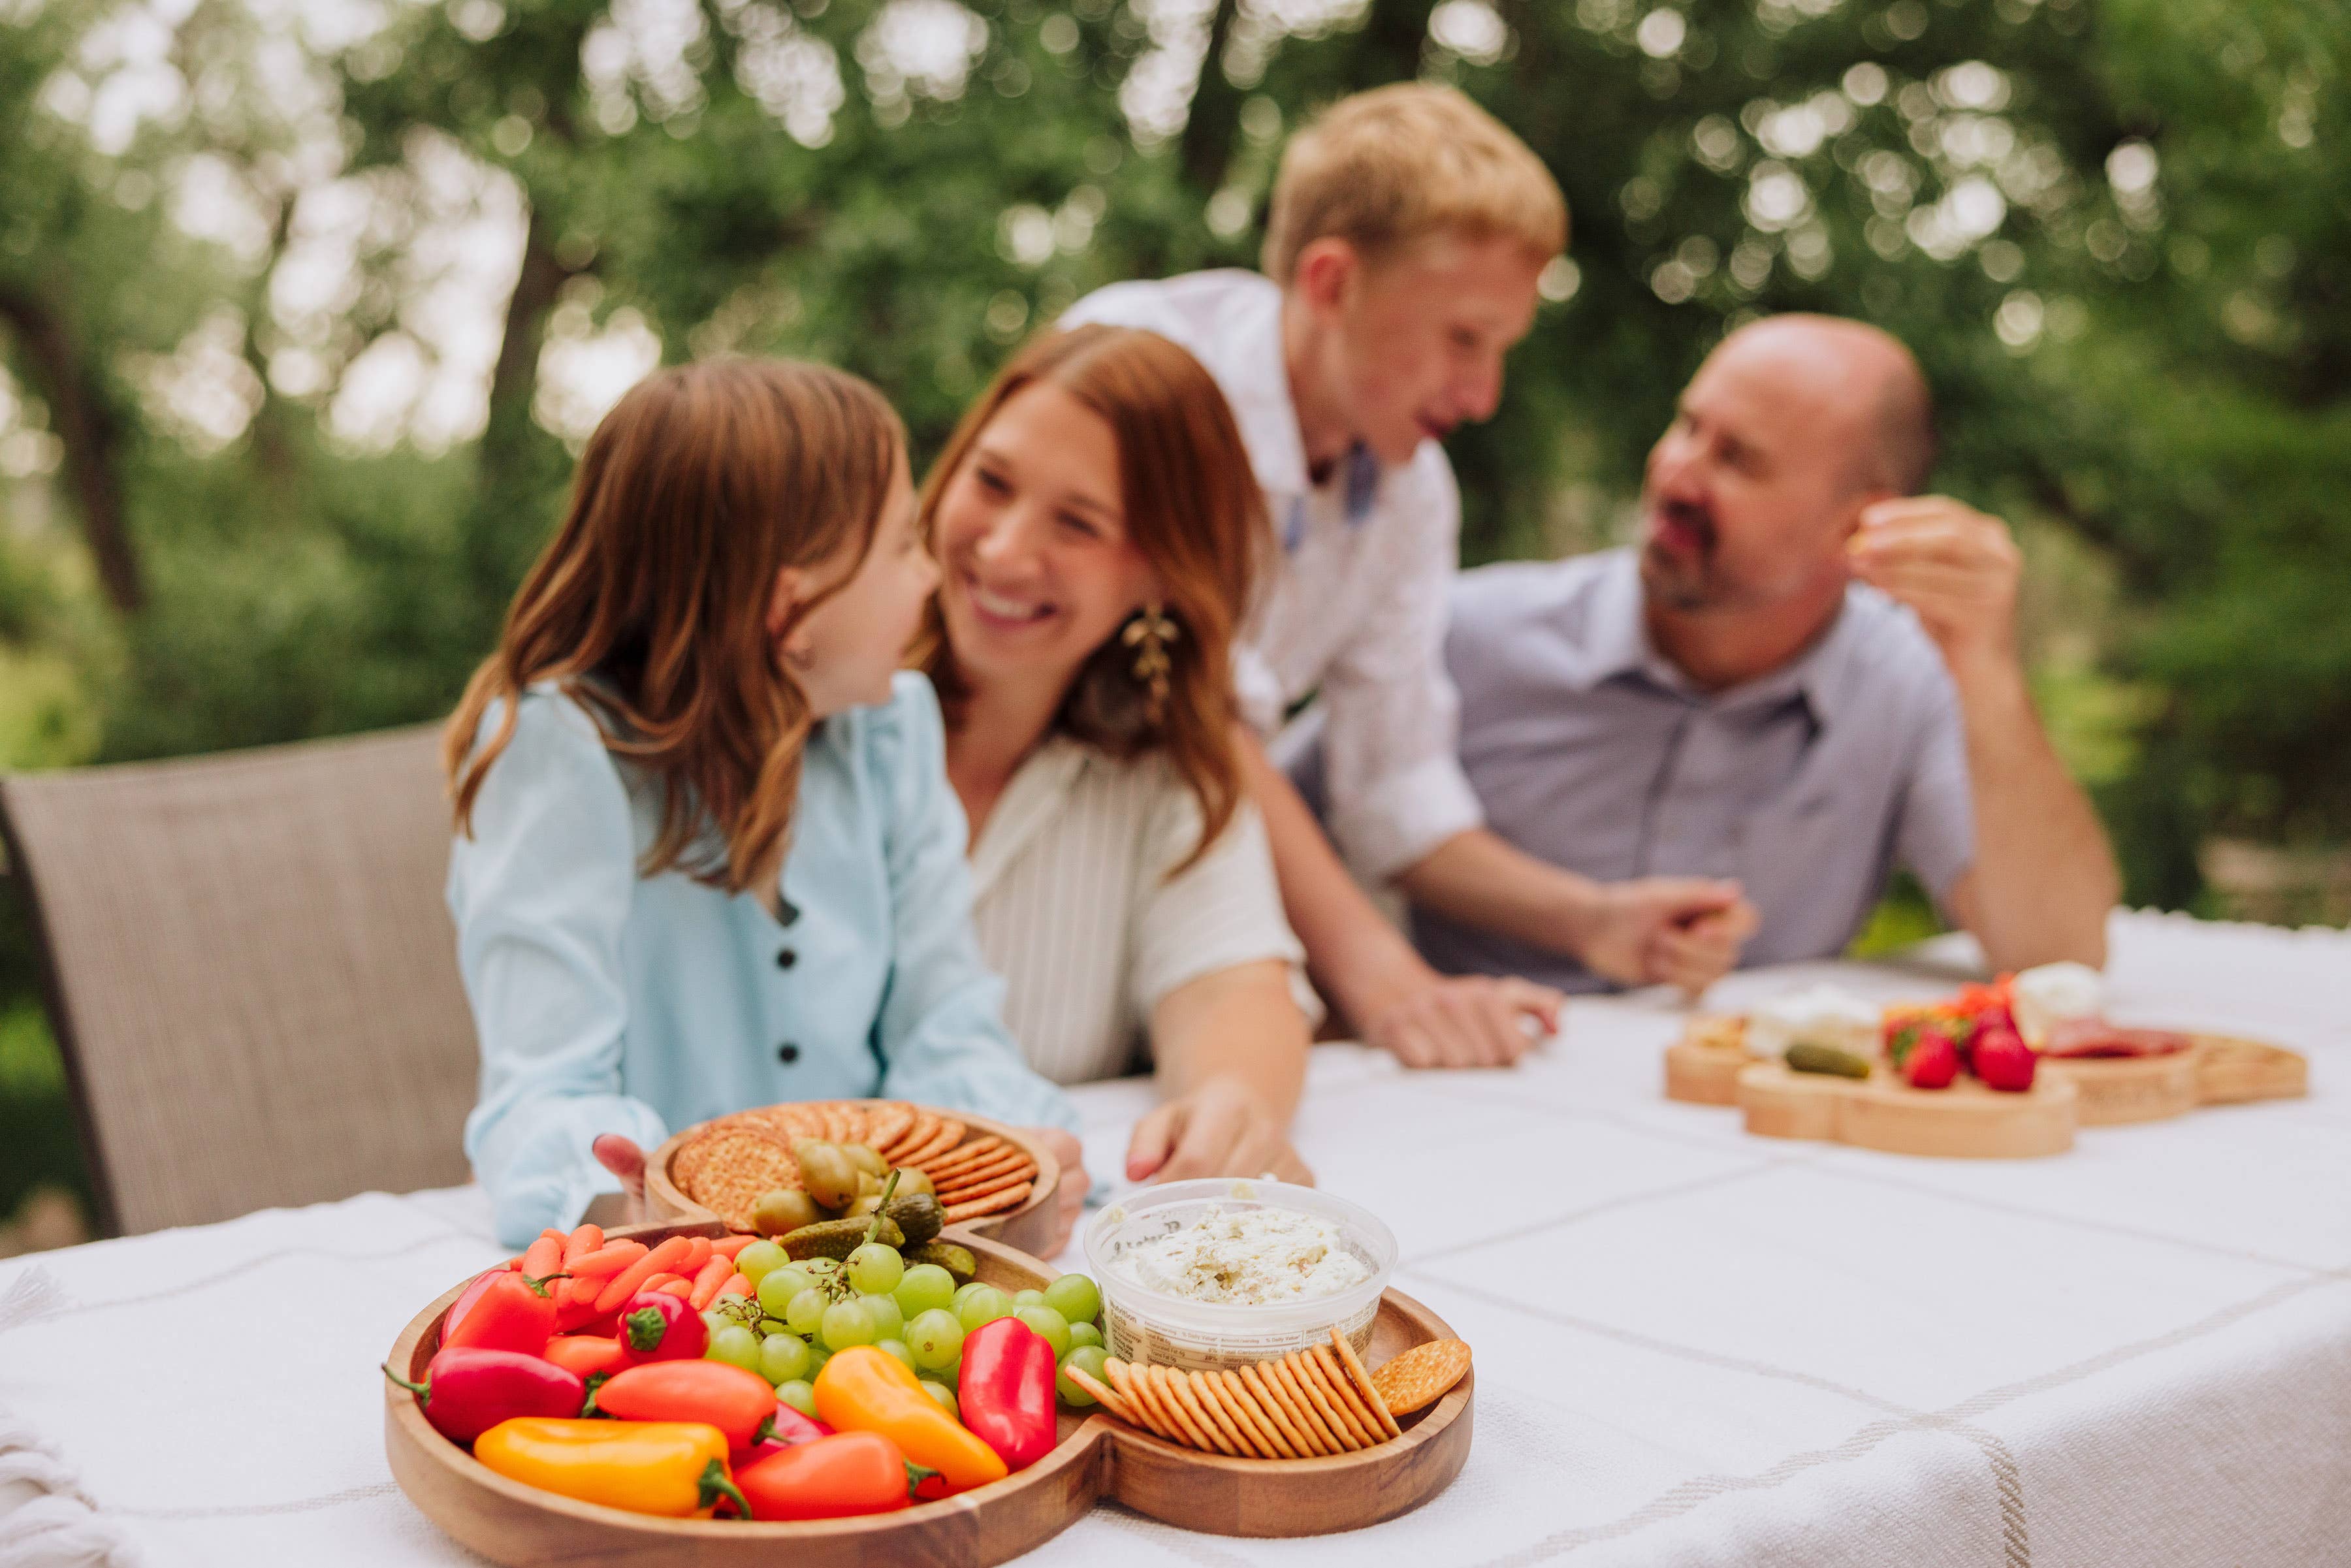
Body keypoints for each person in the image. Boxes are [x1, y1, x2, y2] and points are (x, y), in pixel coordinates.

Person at [1064, 83, 1744, 1068]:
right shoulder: (1146, 369)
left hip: (1182, 910)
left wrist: (1592, 921)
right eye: (1463, 339)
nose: (1483, 394)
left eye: (1502, 349)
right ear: (1333, 283)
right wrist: (1383, 978)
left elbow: (1394, 790)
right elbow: (1178, 704)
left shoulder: (1411, 490)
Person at [443, 358, 1084, 1251]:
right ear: (793, 607)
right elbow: (543, 1088)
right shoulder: (561, 751)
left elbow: (943, 1023)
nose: (931, 577)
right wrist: (629, 1198)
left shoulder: (891, 732)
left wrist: (1011, 1142)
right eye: (903, 545)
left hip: (867, 1259)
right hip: (672, 1275)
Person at [1416, 314, 2120, 992]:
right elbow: (1352, 826)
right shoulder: (1466, 634)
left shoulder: (1905, 682)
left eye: (1738, 460)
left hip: (1741, 1073)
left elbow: (2056, 957)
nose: (1676, 476)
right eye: (1687, 426)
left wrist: (1988, 669)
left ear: (1859, 522)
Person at [918, 323, 1315, 1187]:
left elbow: (1233, 988)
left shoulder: (1170, 773)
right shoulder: (815, 705)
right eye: (991, 481)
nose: (1004, 550)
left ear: (1163, 574)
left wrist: (1230, 1103)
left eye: (1077, 523)